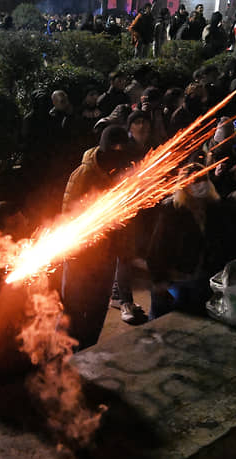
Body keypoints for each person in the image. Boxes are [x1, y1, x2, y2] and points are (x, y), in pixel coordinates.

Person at [61, 126, 133, 349]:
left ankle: (88, 351)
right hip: (81, 259)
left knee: (97, 311)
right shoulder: (83, 175)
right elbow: (68, 216)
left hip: (107, 257)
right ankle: (69, 358)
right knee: (73, 311)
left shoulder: (120, 171)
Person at [146, 164, 236, 319]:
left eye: (203, 179)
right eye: (194, 180)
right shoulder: (172, 210)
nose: (200, 184)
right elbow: (157, 248)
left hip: (202, 280)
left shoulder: (215, 207)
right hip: (176, 279)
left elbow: (224, 241)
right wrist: (159, 280)